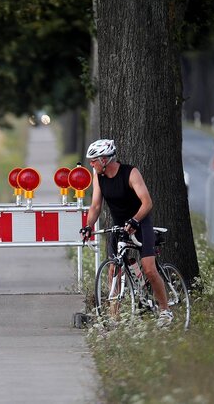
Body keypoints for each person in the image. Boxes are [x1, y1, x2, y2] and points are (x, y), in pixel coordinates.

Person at [79, 139, 173, 327]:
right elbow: (96, 205)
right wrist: (88, 226)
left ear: (105, 159)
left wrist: (135, 220)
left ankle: (165, 310)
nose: (91, 163)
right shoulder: (98, 175)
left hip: (140, 221)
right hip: (119, 224)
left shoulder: (131, 173)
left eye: (94, 160)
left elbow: (147, 203)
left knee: (148, 267)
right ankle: (113, 318)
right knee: (114, 268)